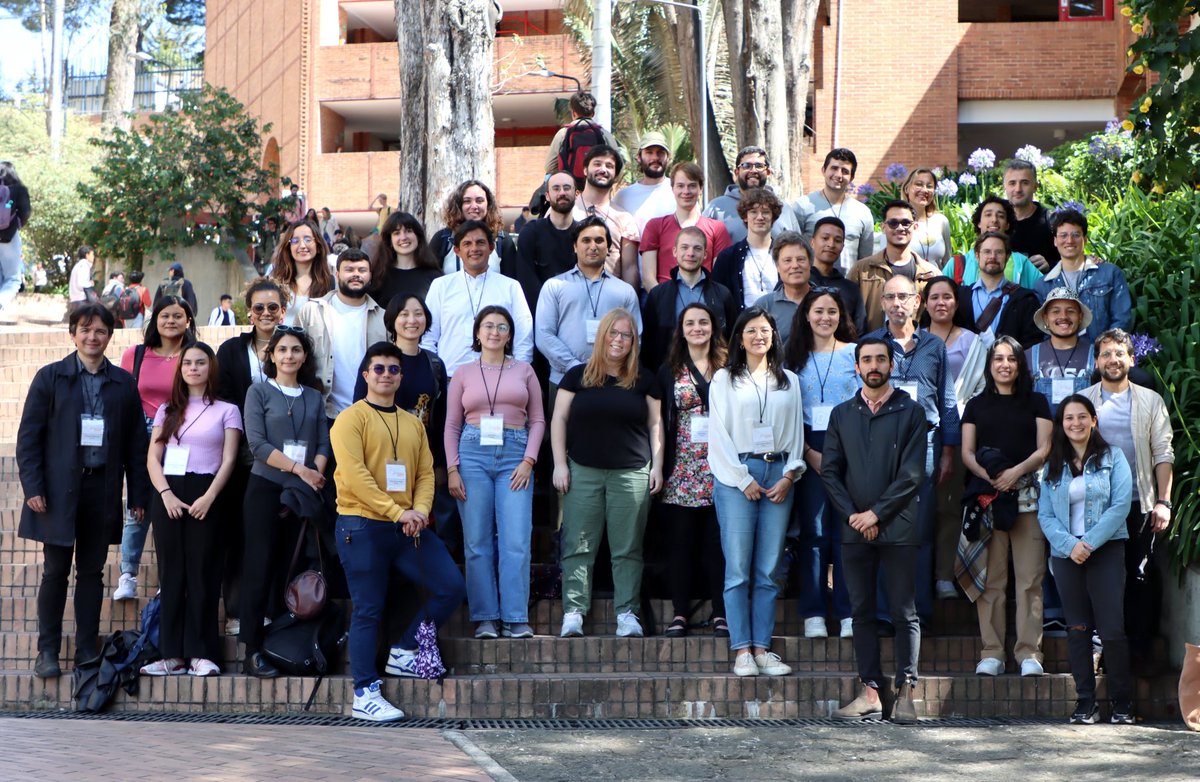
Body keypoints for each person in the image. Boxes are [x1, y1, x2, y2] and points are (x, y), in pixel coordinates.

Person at [333, 341, 467, 721]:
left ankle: (405, 650)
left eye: (393, 369)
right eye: (379, 369)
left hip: (408, 525)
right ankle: (364, 692)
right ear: (366, 376)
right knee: (369, 609)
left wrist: (420, 511)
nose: (386, 375)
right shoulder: (350, 419)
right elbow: (356, 477)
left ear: (401, 376)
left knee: (451, 586)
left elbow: (426, 474)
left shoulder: (412, 423)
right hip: (363, 524)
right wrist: (398, 511)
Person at [17, 304, 150, 679]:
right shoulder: (51, 377)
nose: (92, 337)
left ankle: (87, 649)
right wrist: (33, 487)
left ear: (110, 335)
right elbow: (28, 439)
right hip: (57, 489)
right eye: (85, 329)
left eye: (100, 331)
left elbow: (137, 445)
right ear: (72, 334)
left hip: (101, 486)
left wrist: (138, 495)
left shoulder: (123, 383)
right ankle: (47, 651)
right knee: (55, 571)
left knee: (92, 572)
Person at [823, 337, 927, 724]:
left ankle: (906, 692)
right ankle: (871, 693)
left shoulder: (911, 412)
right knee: (861, 611)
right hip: (854, 530)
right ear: (856, 366)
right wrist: (853, 515)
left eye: (880, 359)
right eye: (866, 359)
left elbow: (913, 474)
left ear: (891, 364)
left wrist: (876, 515)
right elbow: (830, 472)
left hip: (897, 528)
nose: (873, 365)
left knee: (903, 611)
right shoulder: (842, 414)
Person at [553, 308, 662, 638]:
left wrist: (657, 466)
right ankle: (574, 611)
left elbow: (656, 424)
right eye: (613, 333)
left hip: (631, 474)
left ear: (633, 342)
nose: (618, 340)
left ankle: (627, 613)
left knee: (627, 548)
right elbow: (559, 420)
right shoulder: (577, 376)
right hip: (583, 470)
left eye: (625, 335)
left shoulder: (645, 380)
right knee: (578, 544)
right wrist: (560, 463)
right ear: (601, 337)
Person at [708, 307, 804, 678]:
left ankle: (763, 648)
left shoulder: (789, 381)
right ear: (739, 338)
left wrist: (790, 474)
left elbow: (795, 433)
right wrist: (741, 478)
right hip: (738, 476)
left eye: (765, 330)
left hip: (779, 473)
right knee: (738, 570)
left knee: (767, 570)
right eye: (751, 330)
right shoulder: (723, 379)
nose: (759, 336)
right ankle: (742, 650)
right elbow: (717, 435)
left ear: (773, 336)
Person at [861, 274, 961, 627]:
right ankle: (886, 613)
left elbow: (947, 401)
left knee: (918, 529)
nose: (897, 303)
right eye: (890, 297)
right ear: (883, 303)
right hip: (880, 445)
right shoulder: (870, 343)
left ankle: (917, 611)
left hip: (926, 446)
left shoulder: (934, 345)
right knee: (883, 525)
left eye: (904, 296)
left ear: (917, 302)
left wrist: (949, 450)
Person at [140, 343, 242, 677]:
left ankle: (202, 653)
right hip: (168, 493)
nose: (194, 368)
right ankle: (171, 655)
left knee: (204, 573)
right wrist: (165, 494)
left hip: (207, 494)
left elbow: (229, 460)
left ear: (210, 368)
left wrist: (210, 496)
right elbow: (153, 460)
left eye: (201, 362)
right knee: (171, 574)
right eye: (188, 363)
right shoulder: (167, 409)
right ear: (180, 369)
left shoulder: (227, 409)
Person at [445, 306, 544, 639]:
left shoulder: (525, 371)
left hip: (515, 455)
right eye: (488, 326)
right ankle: (485, 616)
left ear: (510, 335)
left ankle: (516, 616)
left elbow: (539, 420)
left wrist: (529, 460)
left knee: (516, 540)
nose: (495, 332)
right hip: (471, 456)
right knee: (476, 542)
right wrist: (452, 468)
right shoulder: (462, 373)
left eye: (502, 327)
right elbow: (451, 425)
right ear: (477, 332)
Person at [239, 327, 331, 677]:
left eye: (296, 350)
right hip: (265, 487)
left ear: (304, 357)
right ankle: (252, 649)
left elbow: (323, 443)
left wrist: (314, 475)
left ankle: (281, 644)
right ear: (272, 356)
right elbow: (258, 445)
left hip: (302, 493)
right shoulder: (258, 391)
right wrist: (301, 471)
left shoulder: (312, 396)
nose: (289, 356)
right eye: (282, 350)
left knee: (288, 569)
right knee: (258, 567)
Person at [957, 336, 1052, 677]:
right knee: (991, 580)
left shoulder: (1037, 402)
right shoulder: (976, 405)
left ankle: (1030, 653)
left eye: (1011, 359)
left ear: (1020, 364)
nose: (1004, 365)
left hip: (1028, 500)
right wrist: (992, 477)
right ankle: (992, 652)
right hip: (987, 499)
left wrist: (1014, 473)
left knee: (1030, 579)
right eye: (998, 359)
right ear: (990, 364)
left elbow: (1044, 449)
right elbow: (967, 452)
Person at [1038, 394, 1134, 724]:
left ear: (1094, 420)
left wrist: (1088, 543)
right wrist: (1070, 544)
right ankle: (1085, 701)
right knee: (1077, 628)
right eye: (1068, 418)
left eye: (1082, 417)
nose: (1075, 423)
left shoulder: (1113, 457)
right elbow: (1045, 514)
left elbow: (1121, 505)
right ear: (1061, 425)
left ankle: (1122, 702)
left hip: (1105, 550)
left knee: (1111, 629)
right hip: (1067, 555)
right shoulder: (1052, 464)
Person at [1081, 329, 1174, 667]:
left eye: (1119, 353)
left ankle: (1141, 650)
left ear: (1132, 360)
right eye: (1106, 353)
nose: (1113, 359)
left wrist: (1163, 501)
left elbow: (1164, 453)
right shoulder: (1083, 401)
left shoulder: (1151, 400)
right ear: (1096, 361)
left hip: (1140, 502)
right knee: (1101, 577)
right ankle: (1101, 649)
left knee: (1142, 575)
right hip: (1096, 506)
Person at [782, 289, 860, 638]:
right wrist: (809, 454)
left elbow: (864, 404)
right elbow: (787, 412)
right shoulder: (791, 358)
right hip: (808, 447)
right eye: (818, 311)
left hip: (850, 450)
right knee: (814, 533)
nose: (825, 318)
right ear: (806, 315)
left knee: (847, 532)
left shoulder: (855, 354)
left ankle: (847, 612)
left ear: (841, 316)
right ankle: (814, 612)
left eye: (832, 311)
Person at [215, 277, 289, 635]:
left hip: (284, 458)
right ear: (249, 312)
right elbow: (223, 396)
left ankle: (273, 609)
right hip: (241, 455)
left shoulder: (293, 346)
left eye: (272, 307)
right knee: (237, 533)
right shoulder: (230, 351)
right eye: (259, 307)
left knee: (276, 534)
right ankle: (236, 611)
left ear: (283, 311)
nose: (265, 313)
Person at [114, 295, 198, 601]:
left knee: (171, 502)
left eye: (178, 316)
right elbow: (122, 396)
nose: (171, 321)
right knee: (138, 503)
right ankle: (127, 574)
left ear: (188, 321)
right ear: (155, 319)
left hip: (180, 435)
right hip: (140, 435)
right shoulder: (135, 355)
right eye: (165, 315)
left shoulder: (194, 355)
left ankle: (169, 577)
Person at [655, 303, 729, 638]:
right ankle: (680, 612)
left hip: (721, 466)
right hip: (681, 467)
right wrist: (659, 466)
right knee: (681, 545)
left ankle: (721, 613)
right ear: (681, 330)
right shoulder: (668, 369)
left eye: (703, 322)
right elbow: (658, 422)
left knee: (719, 545)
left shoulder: (729, 365)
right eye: (690, 323)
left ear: (713, 327)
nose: (697, 328)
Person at [921, 276, 985, 601]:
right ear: (925, 303)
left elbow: (982, 387)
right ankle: (920, 575)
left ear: (956, 303)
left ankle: (944, 575)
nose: (941, 303)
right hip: (921, 433)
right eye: (934, 297)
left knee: (948, 506)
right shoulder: (914, 342)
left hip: (960, 432)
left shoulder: (973, 342)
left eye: (947, 297)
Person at [536, 217, 642, 395]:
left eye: (599, 240)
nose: (593, 246)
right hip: (565, 379)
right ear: (575, 247)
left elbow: (636, 336)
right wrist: (574, 367)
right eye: (586, 240)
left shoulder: (625, 291)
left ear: (608, 247)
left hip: (613, 382)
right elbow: (543, 335)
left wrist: (609, 368)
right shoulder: (554, 286)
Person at [423, 221, 535, 377]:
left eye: (480, 242)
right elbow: (428, 336)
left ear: (491, 248)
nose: (474, 249)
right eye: (467, 244)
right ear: (457, 250)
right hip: (450, 377)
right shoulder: (441, 286)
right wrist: (433, 372)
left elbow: (524, 337)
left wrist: (519, 375)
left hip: (499, 379)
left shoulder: (511, 287)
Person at [293, 248, 388, 420]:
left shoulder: (384, 318)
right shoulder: (312, 311)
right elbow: (294, 358)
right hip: (324, 413)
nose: (356, 275)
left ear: (370, 275)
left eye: (362, 270)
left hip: (372, 413)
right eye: (349, 270)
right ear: (337, 274)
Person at [640, 225, 737, 370]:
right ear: (675, 252)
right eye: (684, 247)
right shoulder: (658, 295)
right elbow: (649, 344)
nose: (690, 253)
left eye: (697, 248)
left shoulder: (722, 294)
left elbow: (732, 339)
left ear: (705, 254)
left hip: (713, 374)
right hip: (668, 375)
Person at [1035, 209, 1132, 342]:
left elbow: (1122, 320)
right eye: (1063, 235)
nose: (1069, 240)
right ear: (1055, 241)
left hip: (1102, 356)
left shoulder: (1110, 274)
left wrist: (1104, 351)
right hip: (1062, 358)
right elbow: (1044, 331)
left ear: (1085, 239)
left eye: (1076, 235)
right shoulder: (1043, 285)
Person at [848, 199, 941, 334]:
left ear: (914, 227)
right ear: (883, 227)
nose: (900, 228)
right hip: (871, 349)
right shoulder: (861, 269)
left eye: (906, 223)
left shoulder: (931, 273)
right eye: (893, 223)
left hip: (917, 349)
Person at [640, 162, 732, 290]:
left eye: (692, 186)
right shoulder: (654, 226)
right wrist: (662, 302)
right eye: (680, 186)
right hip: (664, 300)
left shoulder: (717, 229)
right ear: (672, 188)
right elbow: (648, 279)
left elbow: (720, 276)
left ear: (700, 189)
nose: (686, 191)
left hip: (704, 301)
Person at [952, 230, 1043, 349]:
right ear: (977, 256)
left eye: (999, 252)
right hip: (967, 366)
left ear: (1007, 257)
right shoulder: (960, 296)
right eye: (987, 252)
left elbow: (1032, 344)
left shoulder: (1025, 299)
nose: (992, 257)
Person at [571, 145, 642, 287]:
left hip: (612, 299)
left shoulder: (624, 218)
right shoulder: (567, 212)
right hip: (571, 296)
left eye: (609, 166)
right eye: (597, 164)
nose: (603, 170)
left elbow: (629, 267)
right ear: (585, 170)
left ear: (615, 175)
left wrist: (629, 305)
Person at [794, 148, 876, 271]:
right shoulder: (803, 206)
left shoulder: (862, 212)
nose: (838, 175)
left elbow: (865, 260)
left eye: (845, 171)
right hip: (810, 285)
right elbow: (792, 250)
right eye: (834, 168)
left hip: (849, 286)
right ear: (823, 170)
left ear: (852, 177)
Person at [703, 146, 800, 244]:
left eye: (759, 166)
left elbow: (797, 248)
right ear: (737, 172)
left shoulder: (784, 209)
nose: (753, 170)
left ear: (768, 172)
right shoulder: (716, 208)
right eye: (746, 166)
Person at [942, 196, 1042, 288]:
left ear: (1007, 224)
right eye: (988, 215)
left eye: (1001, 216)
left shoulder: (1022, 263)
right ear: (979, 223)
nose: (994, 220)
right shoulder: (956, 265)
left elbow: (1046, 293)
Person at [514, 171, 578, 314]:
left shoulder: (583, 235)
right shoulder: (530, 233)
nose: (562, 192)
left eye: (567, 188)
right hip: (539, 313)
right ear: (547, 196)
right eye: (556, 188)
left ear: (576, 194)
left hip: (576, 311)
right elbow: (526, 280)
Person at [711, 188, 785, 310]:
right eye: (753, 212)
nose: (760, 217)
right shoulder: (728, 257)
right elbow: (716, 299)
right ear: (745, 216)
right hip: (741, 326)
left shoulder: (785, 255)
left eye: (765, 212)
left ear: (773, 217)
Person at [429, 180, 518, 277]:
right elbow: (429, 280)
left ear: (488, 204)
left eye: (479, 201)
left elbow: (510, 280)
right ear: (459, 205)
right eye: (467, 201)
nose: (474, 206)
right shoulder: (442, 240)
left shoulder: (502, 241)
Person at [1027, 288, 1096, 412]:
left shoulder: (1096, 356)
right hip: (1043, 431)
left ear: (1080, 317)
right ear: (1046, 318)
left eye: (1070, 311)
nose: (1063, 316)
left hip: (1082, 429)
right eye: (1055, 311)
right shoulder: (1029, 356)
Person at [368, 211, 443, 309]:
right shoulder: (378, 276)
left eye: (408, 231)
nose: (403, 237)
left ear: (418, 237)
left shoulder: (435, 277)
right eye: (397, 233)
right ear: (390, 241)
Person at [544, 91, 621, 185]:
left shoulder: (563, 133)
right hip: (597, 189)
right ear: (593, 113)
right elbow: (619, 168)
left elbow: (549, 167)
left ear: (573, 113)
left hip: (571, 189)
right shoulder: (604, 134)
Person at [752, 232, 815, 346]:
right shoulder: (764, 306)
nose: (795, 265)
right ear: (777, 267)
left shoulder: (826, 301)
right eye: (787, 260)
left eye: (801, 259)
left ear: (810, 264)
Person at [269, 219, 335, 326]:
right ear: (289, 247)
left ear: (318, 246)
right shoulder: (277, 281)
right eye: (295, 241)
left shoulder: (329, 282)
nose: (302, 246)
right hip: (282, 341)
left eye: (308, 239)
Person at [810, 216, 867, 335]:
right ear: (812, 242)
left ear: (842, 246)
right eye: (825, 238)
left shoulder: (850, 289)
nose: (831, 244)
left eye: (837, 240)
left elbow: (860, 331)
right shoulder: (798, 282)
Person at [611, 131, 675, 233]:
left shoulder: (680, 191)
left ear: (668, 158)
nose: (655, 157)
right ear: (639, 157)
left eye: (660, 152)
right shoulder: (623, 197)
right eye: (649, 152)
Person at [1002, 160, 1055, 272]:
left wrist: (1050, 265)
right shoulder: (997, 221)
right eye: (1012, 183)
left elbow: (1072, 259)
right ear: (1004, 187)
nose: (1018, 189)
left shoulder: (1051, 220)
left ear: (1035, 186)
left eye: (1025, 183)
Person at [902, 168, 954, 269]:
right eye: (919, 184)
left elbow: (947, 262)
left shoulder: (941, 221)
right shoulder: (897, 223)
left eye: (929, 186)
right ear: (906, 188)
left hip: (937, 282)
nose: (924, 190)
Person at [0, 161, 31, 315]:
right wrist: (15, 224)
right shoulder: (19, 190)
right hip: (8, 238)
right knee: (13, 279)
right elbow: (25, 213)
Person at [68, 246, 96, 313]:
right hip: (81, 300)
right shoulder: (84, 266)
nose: (93, 257)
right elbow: (81, 283)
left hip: (76, 300)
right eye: (92, 254)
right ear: (87, 255)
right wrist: (91, 283)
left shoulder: (78, 265)